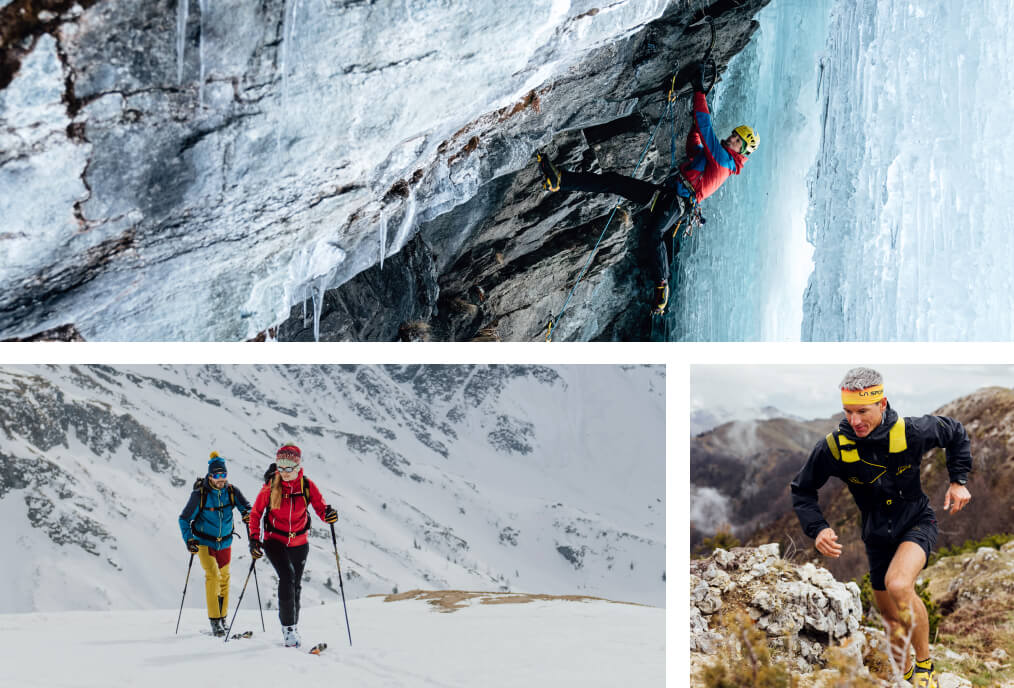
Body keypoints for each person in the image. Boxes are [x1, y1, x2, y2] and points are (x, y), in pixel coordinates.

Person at [790, 368, 972, 688]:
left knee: (899, 585)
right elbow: (802, 489)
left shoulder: (912, 432)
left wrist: (958, 481)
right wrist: (817, 528)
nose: (855, 420)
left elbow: (955, 432)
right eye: (848, 411)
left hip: (917, 522)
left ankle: (925, 666)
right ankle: (901, 677)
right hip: (876, 537)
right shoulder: (833, 448)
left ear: (882, 403)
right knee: (890, 616)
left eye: (863, 411)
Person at [537, 63, 757, 314]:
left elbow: (706, 129)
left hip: (675, 203)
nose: (732, 139)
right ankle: (560, 180)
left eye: (737, 140)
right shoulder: (716, 156)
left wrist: (699, 92)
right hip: (666, 196)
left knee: (654, 234)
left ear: (742, 151)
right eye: (734, 135)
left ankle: (663, 285)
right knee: (614, 182)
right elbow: (694, 148)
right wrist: (695, 127)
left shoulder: (724, 162)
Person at [248, 444, 338, 647]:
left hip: (299, 542)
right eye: (281, 467)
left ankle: (294, 626)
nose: (285, 472)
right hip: (274, 540)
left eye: (289, 467)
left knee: (296, 585)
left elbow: (320, 508)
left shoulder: (307, 486)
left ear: (298, 466)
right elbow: (255, 514)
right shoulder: (271, 486)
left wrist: (329, 515)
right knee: (287, 578)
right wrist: (254, 539)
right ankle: (288, 630)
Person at [178, 452, 252, 637]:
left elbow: (247, 507)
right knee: (213, 575)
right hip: (204, 542)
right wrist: (189, 540)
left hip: (225, 542)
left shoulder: (232, 491)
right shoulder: (200, 494)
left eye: (223, 475)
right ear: (210, 476)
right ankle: (215, 622)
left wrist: (247, 514)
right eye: (217, 475)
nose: (221, 479)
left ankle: (223, 618)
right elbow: (184, 518)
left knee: (225, 578)